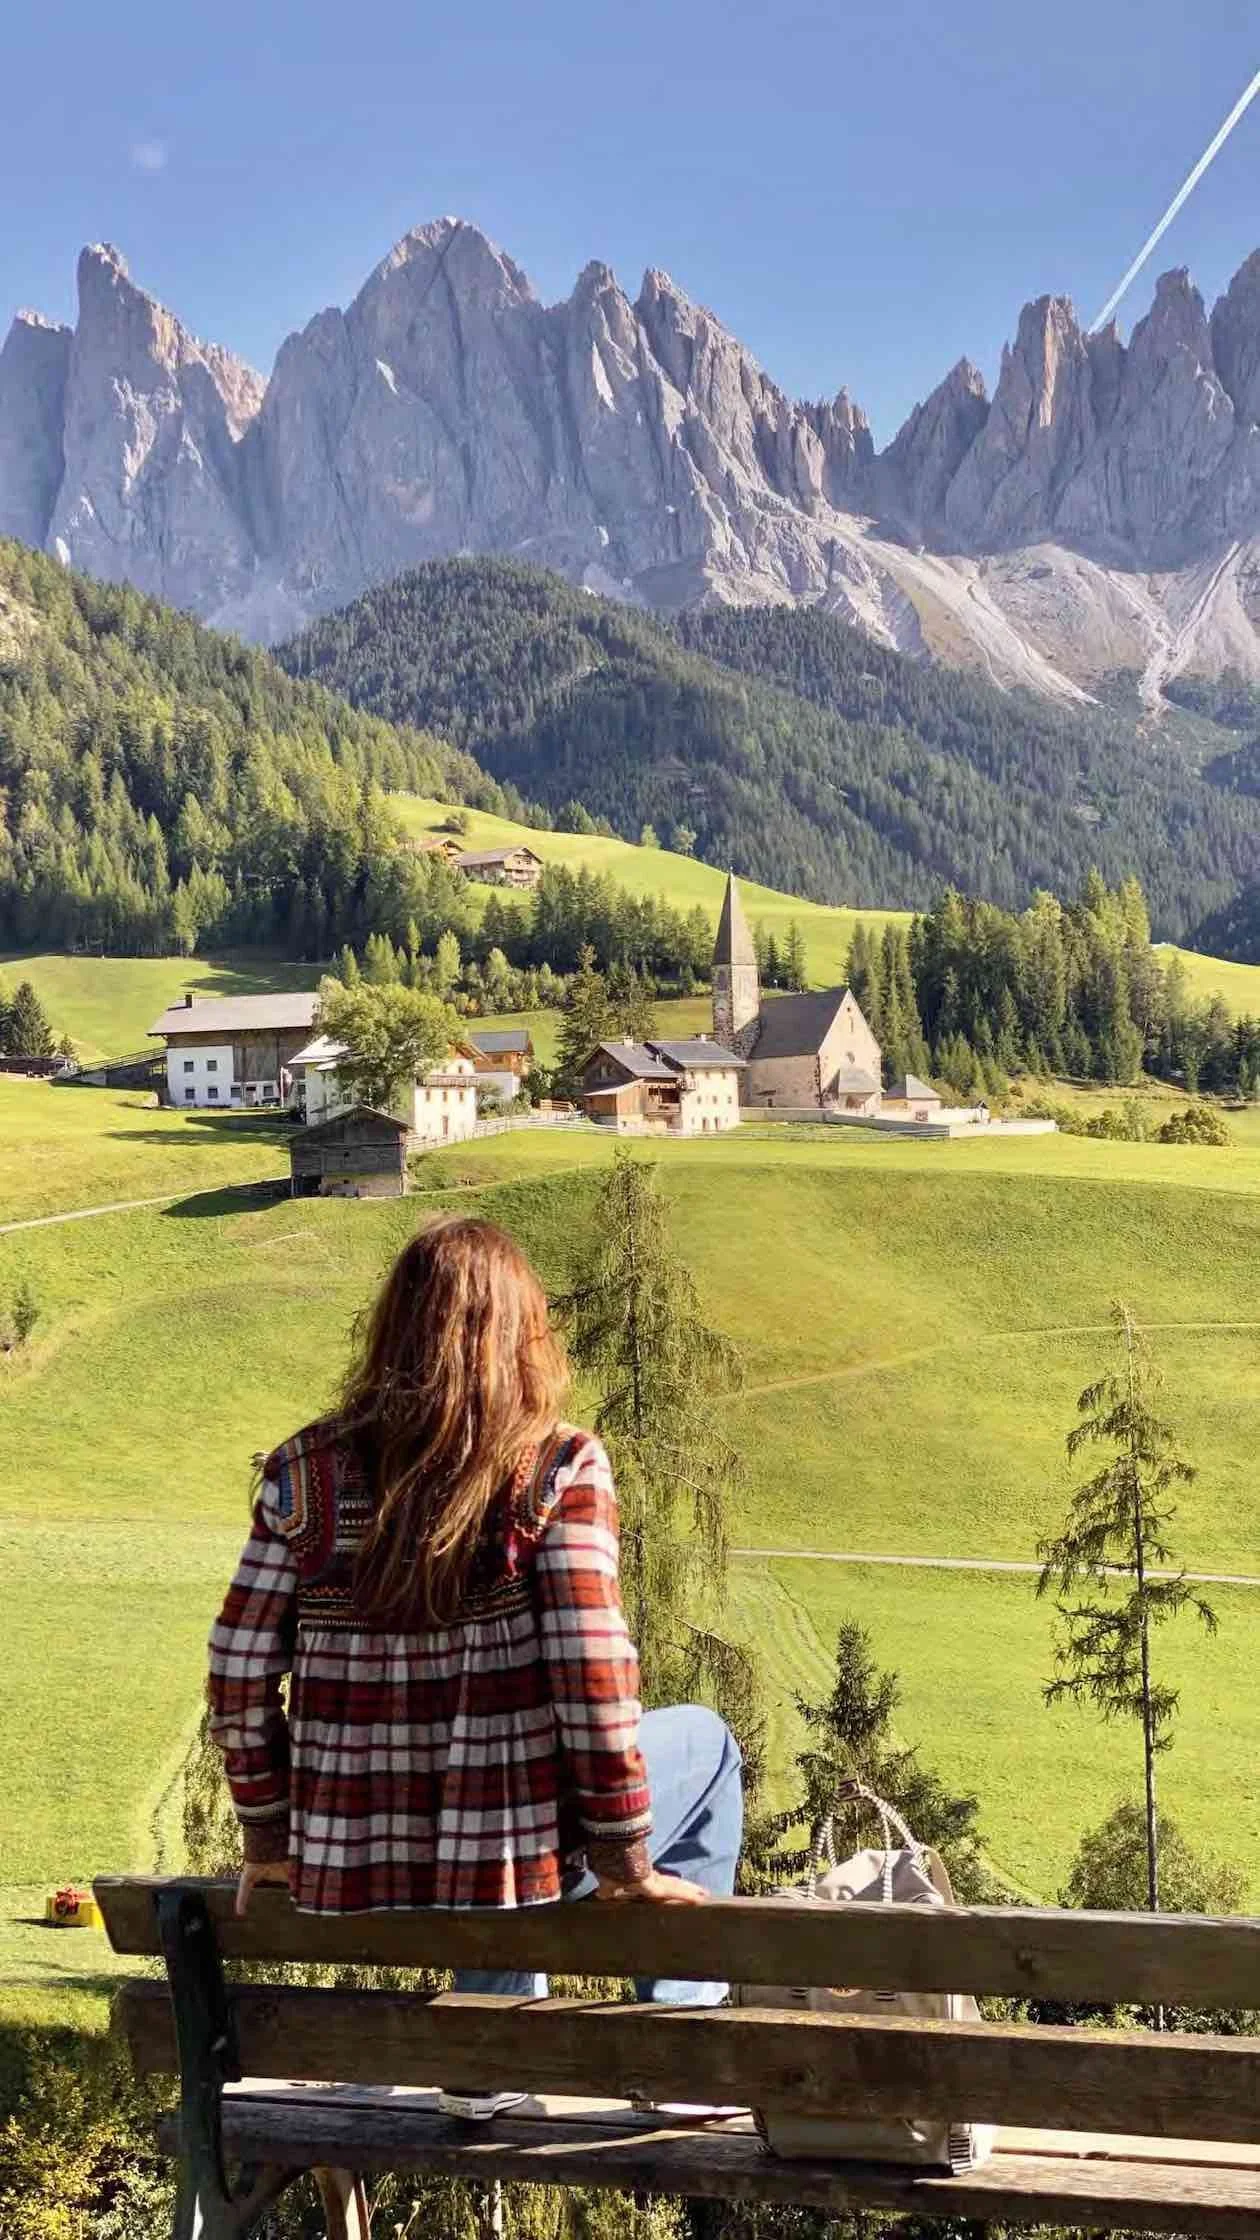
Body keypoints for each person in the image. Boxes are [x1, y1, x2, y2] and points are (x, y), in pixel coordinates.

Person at [206, 1213, 743, 2119]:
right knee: (708, 1743)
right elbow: (590, 1667)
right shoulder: (557, 1466)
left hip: (352, 1866)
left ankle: (490, 2049)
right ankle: (674, 2050)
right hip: (497, 1864)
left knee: (498, 1805)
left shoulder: (303, 1470)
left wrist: (271, 1835)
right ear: (521, 1333)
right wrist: (623, 1859)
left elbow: (236, 1662)